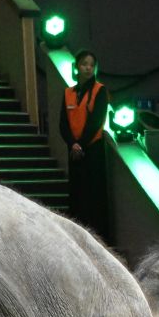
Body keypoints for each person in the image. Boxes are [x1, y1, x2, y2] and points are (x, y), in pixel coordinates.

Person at [60, 50, 110, 239]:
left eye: (91, 64)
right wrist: (72, 144)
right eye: (84, 64)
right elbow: (62, 123)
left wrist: (80, 144)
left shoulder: (100, 90)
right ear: (77, 67)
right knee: (77, 194)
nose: (88, 68)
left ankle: (98, 236)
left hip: (93, 149)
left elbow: (96, 121)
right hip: (74, 151)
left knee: (94, 195)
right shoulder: (68, 93)